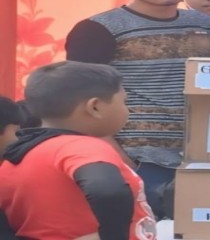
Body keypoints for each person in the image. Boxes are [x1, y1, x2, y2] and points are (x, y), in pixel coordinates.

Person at [64, 0, 210, 220]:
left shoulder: (207, 25)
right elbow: (79, 100)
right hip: (135, 157)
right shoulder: (98, 28)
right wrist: (117, 157)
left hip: (200, 157)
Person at [0, 61, 157, 239]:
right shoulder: (81, 147)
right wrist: (113, 236)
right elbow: (106, 189)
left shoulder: (17, 157)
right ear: (95, 107)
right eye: (124, 102)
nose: (129, 110)